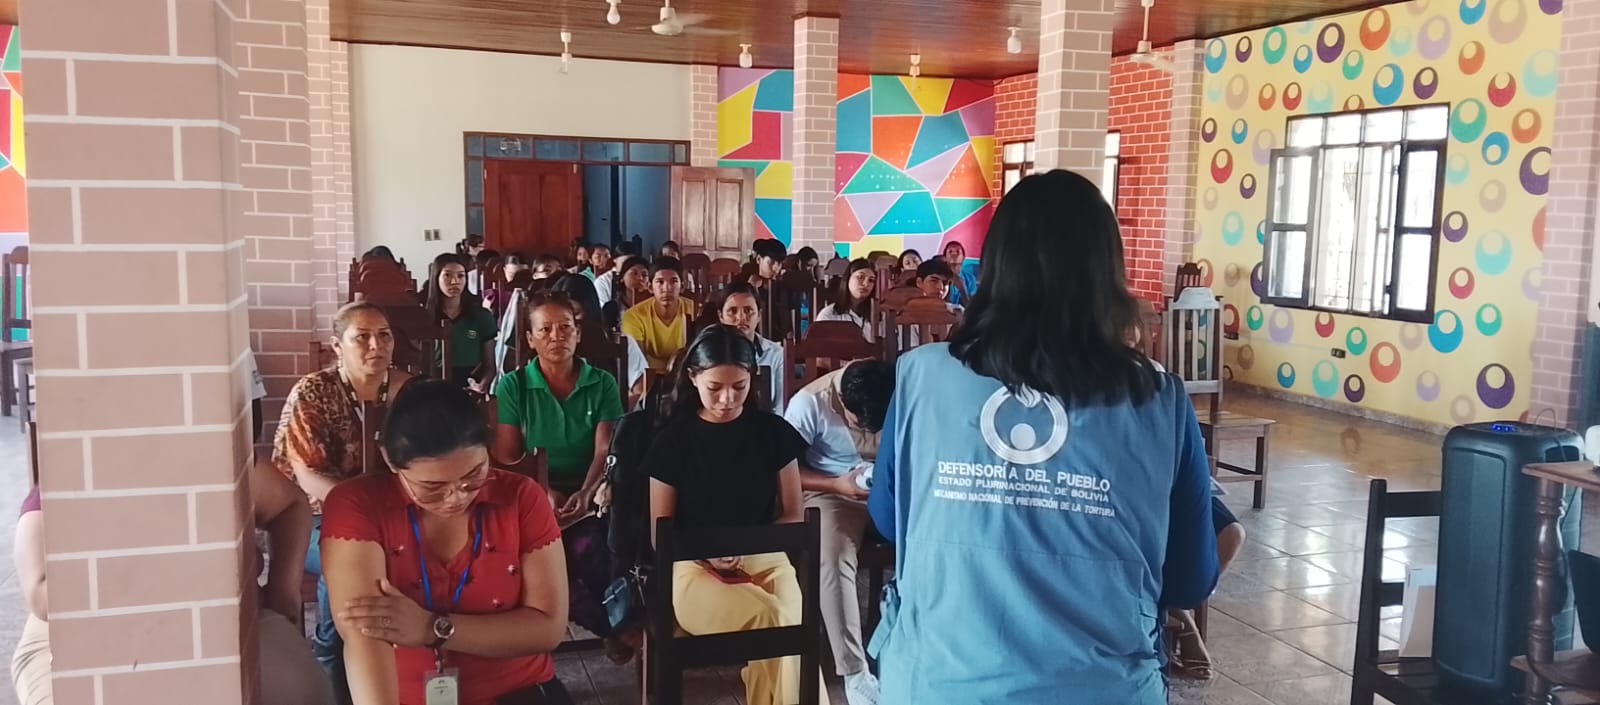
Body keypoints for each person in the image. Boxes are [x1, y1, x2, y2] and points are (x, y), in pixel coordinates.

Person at [866, 170, 1218, 704]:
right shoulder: (1161, 400)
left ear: (996, 267)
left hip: (935, 682)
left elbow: (892, 520)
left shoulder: (919, 377)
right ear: (1106, 273)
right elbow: (1190, 578)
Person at [323, 380, 572, 705]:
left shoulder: (521, 498)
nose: (456, 498)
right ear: (390, 461)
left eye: (473, 477)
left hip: (517, 692)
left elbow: (548, 628)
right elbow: (367, 635)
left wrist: (432, 628)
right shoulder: (357, 505)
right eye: (432, 486)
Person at [11, 461, 338, 705]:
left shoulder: (215, 458)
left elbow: (290, 504)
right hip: (80, 636)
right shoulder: (79, 470)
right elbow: (42, 593)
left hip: (223, 620)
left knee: (307, 693)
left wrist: (283, 595)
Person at [642, 325, 827, 705]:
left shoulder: (773, 433)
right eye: (715, 388)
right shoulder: (672, 442)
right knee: (778, 621)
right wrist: (710, 552)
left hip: (767, 557)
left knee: (785, 623)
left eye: (739, 387)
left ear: (751, 380)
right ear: (693, 379)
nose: (727, 399)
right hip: (692, 564)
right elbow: (661, 532)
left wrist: (749, 547)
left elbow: (793, 512)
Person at [275, 302, 416, 690]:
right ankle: (331, 661)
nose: (376, 345)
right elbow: (306, 477)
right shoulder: (314, 394)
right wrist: (369, 518)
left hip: (394, 517)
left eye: (384, 335)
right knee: (347, 563)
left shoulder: (409, 393)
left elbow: (425, 465)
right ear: (338, 347)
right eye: (362, 337)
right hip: (312, 519)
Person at [491, 289, 629, 654]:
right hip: (533, 493)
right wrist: (544, 492)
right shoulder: (514, 386)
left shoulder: (601, 382)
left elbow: (605, 448)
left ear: (578, 333)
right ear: (530, 338)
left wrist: (585, 493)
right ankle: (613, 630)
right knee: (553, 562)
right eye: (546, 330)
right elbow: (508, 459)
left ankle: (624, 621)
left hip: (593, 489)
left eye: (565, 327)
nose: (557, 337)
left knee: (591, 548)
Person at [783, 359, 895, 705]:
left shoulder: (897, 390)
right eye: (858, 423)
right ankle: (854, 673)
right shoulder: (809, 402)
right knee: (831, 555)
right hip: (831, 490)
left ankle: (916, 649)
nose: (865, 431)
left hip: (889, 487)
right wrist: (837, 484)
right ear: (842, 402)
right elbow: (784, 470)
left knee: (934, 536)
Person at [551, 273, 648, 403]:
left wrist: (613, 412)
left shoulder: (619, 342)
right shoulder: (545, 345)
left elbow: (642, 391)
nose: (568, 324)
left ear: (590, 309)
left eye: (575, 314)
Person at [425, 253, 498, 390]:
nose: (455, 281)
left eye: (460, 275)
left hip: (470, 384)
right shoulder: (424, 317)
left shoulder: (481, 316)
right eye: (447, 275)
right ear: (436, 278)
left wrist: (482, 384)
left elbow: (490, 366)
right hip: (433, 386)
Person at [718, 283, 787, 413]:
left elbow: (781, 407)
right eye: (732, 311)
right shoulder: (711, 353)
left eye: (748, 310)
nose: (741, 317)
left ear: (759, 315)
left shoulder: (776, 354)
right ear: (721, 316)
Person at [621, 257, 696, 373]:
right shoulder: (634, 316)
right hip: (648, 378)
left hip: (686, 376)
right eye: (660, 282)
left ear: (682, 286)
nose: (667, 288)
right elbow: (637, 362)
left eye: (674, 281)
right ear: (650, 287)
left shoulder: (694, 310)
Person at [813, 258, 878, 342]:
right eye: (860, 277)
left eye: (871, 280)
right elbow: (817, 348)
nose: (866, 284)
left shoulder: (877, 317)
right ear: (848, 279)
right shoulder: (829, 315)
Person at [938, 241, 980, 306]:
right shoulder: (939, 276)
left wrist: (962, 289)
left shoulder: (970, 278)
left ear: (963, 257)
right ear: (945, 258)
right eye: (950, 251)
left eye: (958, 251)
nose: (954, 254)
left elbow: (970, 306)